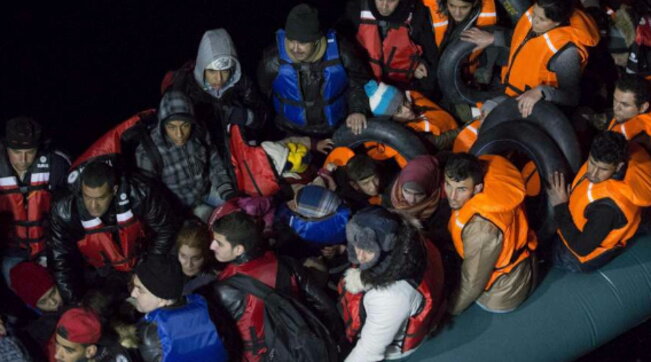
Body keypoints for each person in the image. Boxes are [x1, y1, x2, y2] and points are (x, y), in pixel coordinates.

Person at [202, 211, 342, 362]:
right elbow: (326, 306)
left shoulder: (223, 290)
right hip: (299, 347)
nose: (212, 246)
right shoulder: (288, 265)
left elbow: (218, 339)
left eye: (219, 243)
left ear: (239, 250)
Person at [49, 161, 180, 305]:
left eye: (100, 198)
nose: (93, 205)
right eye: (88, 197)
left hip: (141, 259)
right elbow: (60, 258)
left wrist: (149, 269)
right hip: (98, 271)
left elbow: (165, 228)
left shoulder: (141, 192)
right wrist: (74, 303)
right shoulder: (64, 210)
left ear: (115, 190)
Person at [338, 207, 445, 361]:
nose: (359, 255)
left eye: (369, 248)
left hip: (393, 348)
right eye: (357, 243)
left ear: (388, 244)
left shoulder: (390, 297)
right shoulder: (412, 241)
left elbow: (368, 352)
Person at [462, 0, 600, 117]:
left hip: (532, 109)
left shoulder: (566, 53)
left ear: (557, 22)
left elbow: (572, 97)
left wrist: (542, 91)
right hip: (506, 88)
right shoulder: (536, 16)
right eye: (534, 13)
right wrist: (494, 38)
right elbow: (523, 39)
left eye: (541, 19)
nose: (534, 21)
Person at [444, 153, 538, 314]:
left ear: (478, 188)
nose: (452, 196)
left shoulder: (482, 231)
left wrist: (448, 311)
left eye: (461, 189)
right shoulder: (492, 177)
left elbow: (473, 283)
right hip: (521, 261)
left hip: (503, 292)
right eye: (448, 185)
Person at [258, 3, 371, 137]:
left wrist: (357, 110)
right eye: (291, 40)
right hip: (290, 132)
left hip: (336, 129)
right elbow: (263, 92)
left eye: (302, 42)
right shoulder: (273, 60)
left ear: (316, 40)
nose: (295, 48)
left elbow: (360, 82)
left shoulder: (342, 53)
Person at [547, 132, 651, 272]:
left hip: (577, 256)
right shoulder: (607, 158)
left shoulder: (607, 209)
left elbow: (581, 248)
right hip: (585, 219)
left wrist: (560, 205)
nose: (593, 174)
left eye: (603, 169)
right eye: (592, 163)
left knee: (547, 249)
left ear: (619, 166)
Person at [162, 28, 268, 155]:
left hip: (239, 154)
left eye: (225, 71)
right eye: (212, 71)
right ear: (202, 67)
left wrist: (247, 116)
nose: (219, 78)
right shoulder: (185, 88)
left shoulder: (242, 83)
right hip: (205, 157)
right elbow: (170, 131)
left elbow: (262, 116)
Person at [135, 90, 235, 221]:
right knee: (214, 223)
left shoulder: (200, 133)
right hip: (183, 209)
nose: (179, 134)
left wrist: (226, 190)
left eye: (185, 125)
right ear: (162, 125)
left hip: (208, 190)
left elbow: (214, 162)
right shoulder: (148, 151)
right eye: (171, 127)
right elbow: (151, 197)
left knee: (238, 209)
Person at [0, 117, 70, 281]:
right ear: (6, 148)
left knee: (50, 297)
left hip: (48, 247)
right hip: (10, 249)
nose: (23, 159)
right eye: (16, 152)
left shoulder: (57, 165)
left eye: (30, 152)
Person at [131, 255, 228, 361]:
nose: (133, 294)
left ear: (162, 299)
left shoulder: (150, 333)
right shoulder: (206, 308)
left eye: (140, 290)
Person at [344, 0, 440, 96]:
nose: (384, 6)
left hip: (404, 87)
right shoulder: (355, 7)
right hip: (365, 86)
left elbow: (431, 55)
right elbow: (345, 53)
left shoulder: (417, 12)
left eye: (391, 0)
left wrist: (421, 63)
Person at [364, 80, 459, 161]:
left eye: (404, 102)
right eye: (399, 111)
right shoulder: (407, 134)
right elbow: (440, 141)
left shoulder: (414, 101)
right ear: (391, 119)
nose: (407, 109)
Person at [10, 261, 64, 358]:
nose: (53, 302)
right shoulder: (35, 334)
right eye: (43, 302)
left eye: (53, 293)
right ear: (33, 306)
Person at [606, 74, 651, 144]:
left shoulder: (640, 142)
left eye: (625, 105)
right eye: (615, 100)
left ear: (643, 107)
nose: (616, 108)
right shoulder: (624, 117)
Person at [175, 220, 218, 294]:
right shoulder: (166, 268)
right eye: (183, 256)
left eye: (196, 258)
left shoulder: (211, 280)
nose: (189, 264)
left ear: (206, 255)